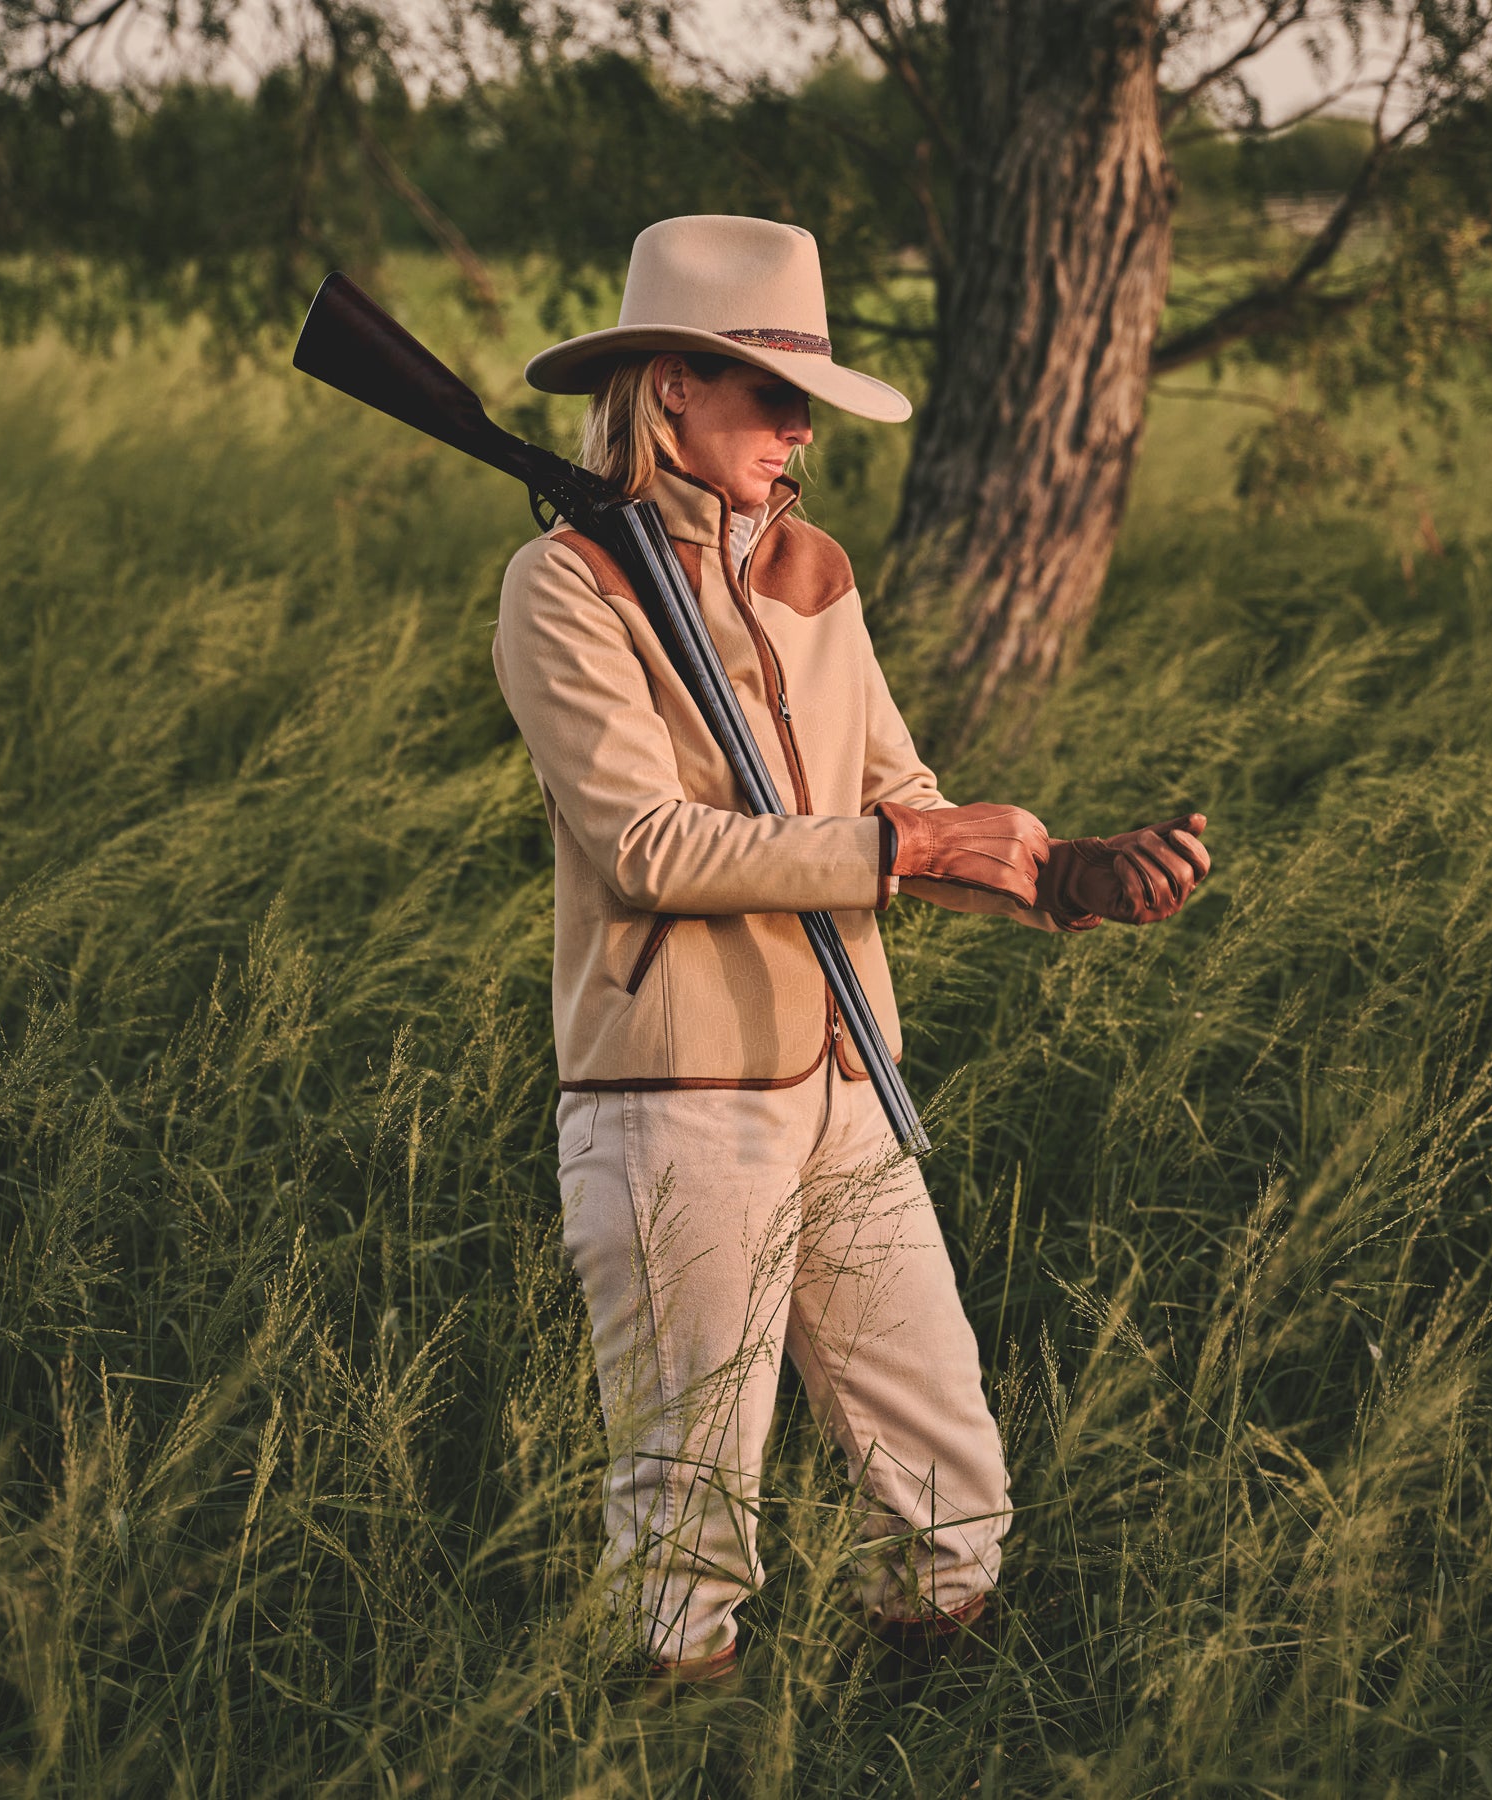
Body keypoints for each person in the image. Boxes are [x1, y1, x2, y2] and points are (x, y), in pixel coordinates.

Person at [492, 215, 1210, 1683]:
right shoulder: (565, 585)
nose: (800, 425)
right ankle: (668, 1754)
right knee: (689, 1521)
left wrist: (1061, 879)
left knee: (955, 1498)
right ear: (671, 386)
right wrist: (901, 853)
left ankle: (926, 1731)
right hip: (672, 1105)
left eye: (807, 394)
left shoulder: (812, 567)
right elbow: (648, 848)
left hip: (844, 1084)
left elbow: (904, 800)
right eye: (769, 390)